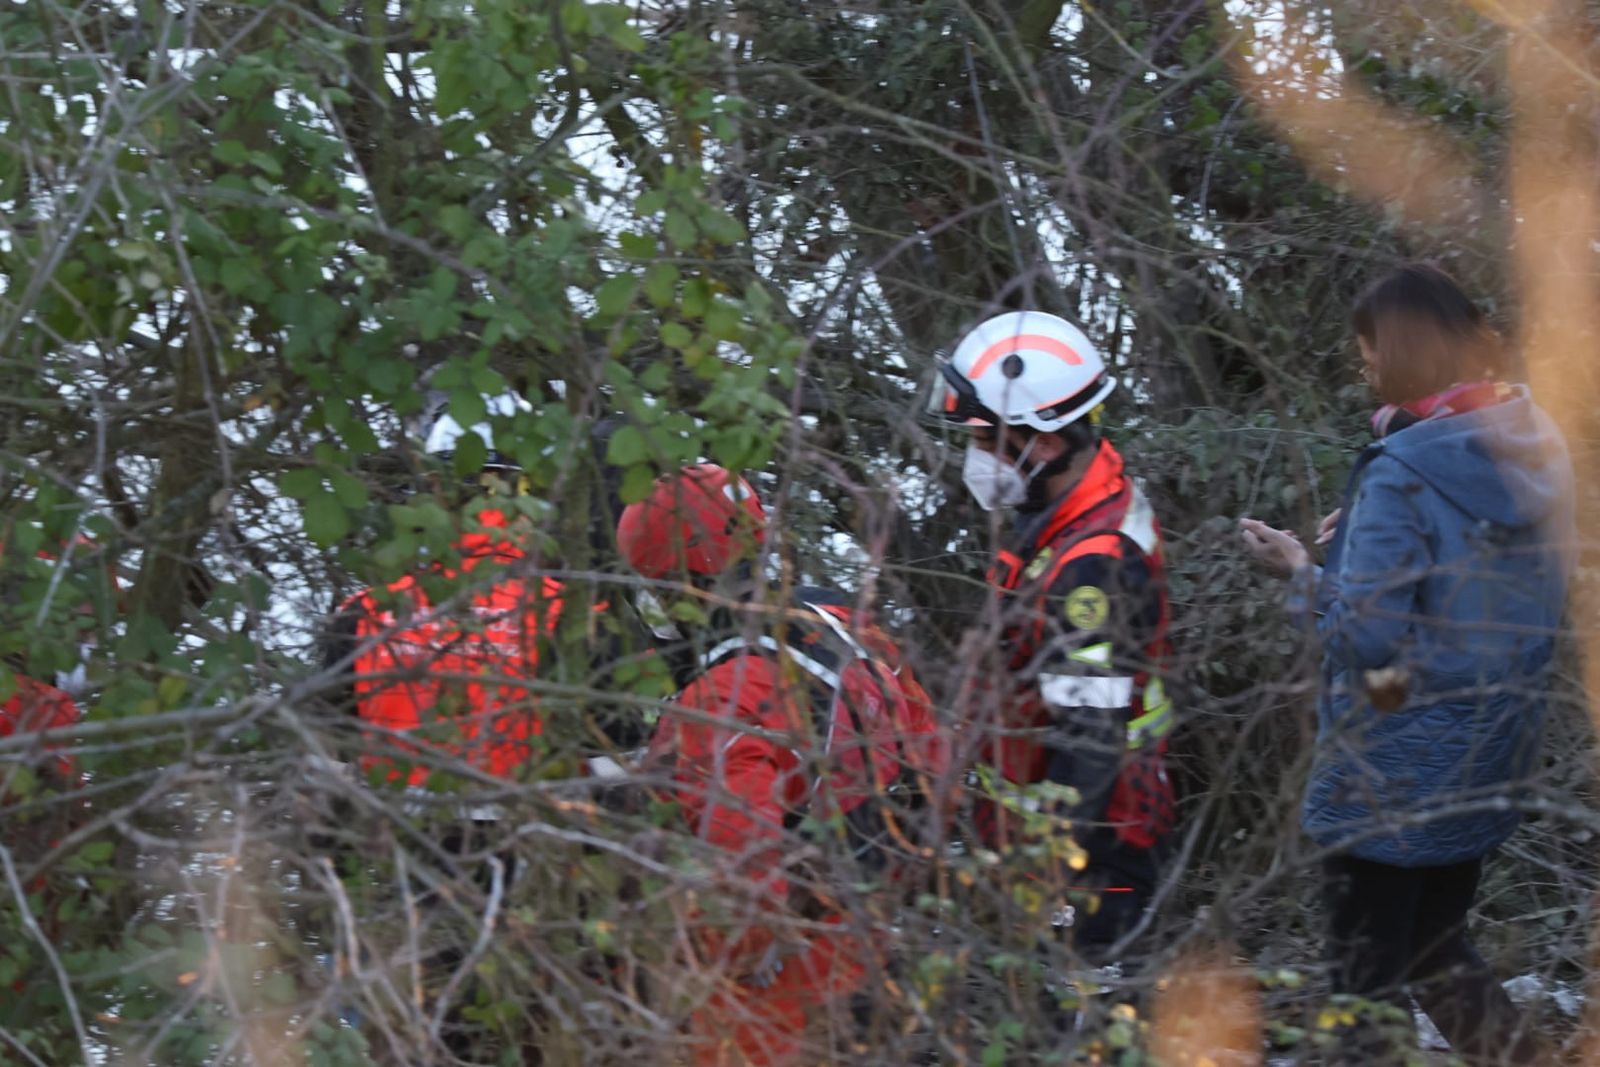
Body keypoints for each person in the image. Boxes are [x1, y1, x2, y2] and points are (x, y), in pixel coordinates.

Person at [1239, 263, 1573, 1065]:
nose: (1361, 367)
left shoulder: (1403, 473)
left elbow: (1371, 638)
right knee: (1437, 952)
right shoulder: (1535, 443)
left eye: (1366, 352)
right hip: (1488, 747)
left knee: (1364, 993)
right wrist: (1367, 525)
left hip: (1391, 769)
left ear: (1397, 353)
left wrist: (1301, 573)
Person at [619, 463, 948, 1067]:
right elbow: (925, 748)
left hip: (791, 986)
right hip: (889, 930)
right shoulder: (840, 622)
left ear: (683, 584)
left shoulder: (720, 701)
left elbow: (743, 881)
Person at [925, 309, 1177, 954]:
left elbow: (1089, 738)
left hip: (1093, 845)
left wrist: (1049, 867)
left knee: (1091, 1026)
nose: (974, 456)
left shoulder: (1093, 564)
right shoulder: (1073, 504)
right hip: (1059, 831)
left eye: (984, 439)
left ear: (1040, 441)